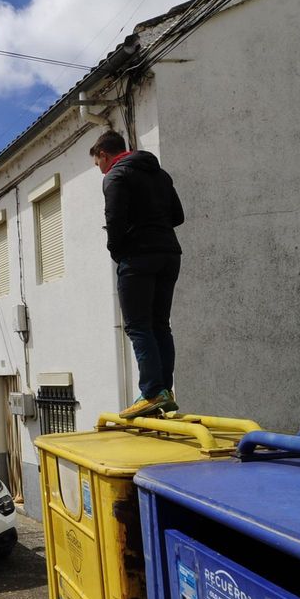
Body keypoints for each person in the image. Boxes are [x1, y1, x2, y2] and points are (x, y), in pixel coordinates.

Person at [89, 129, 185, 419]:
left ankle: (152, 392)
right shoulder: (161, 174)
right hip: (169, 254)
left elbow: (114, 220)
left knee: (138, 326)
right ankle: (163, 391)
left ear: (104, 154)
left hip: (137, 258)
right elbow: (178, 216)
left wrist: (117, 251)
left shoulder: (115, 177)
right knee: (159, 324)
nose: (100, 170)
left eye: (98, 163)